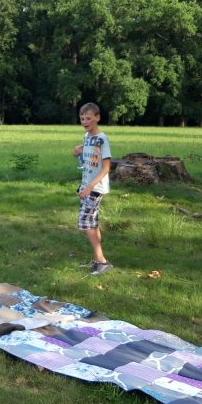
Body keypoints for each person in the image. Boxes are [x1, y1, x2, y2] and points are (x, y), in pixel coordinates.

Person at [72, 102, 113, 275]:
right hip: (87, 186)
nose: (85, 121)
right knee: (93, 224)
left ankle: (102, 261)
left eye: (88, 118)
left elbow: (106, 168)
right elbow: (87, 162)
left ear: (97, 117)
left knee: (85, 223)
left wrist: (90, 187)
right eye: (82, 118)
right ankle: (97, 260)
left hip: (95, 188)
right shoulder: (86, 137)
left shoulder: (102, 139)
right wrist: (76, 153)